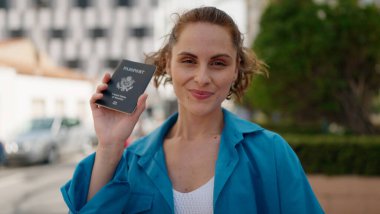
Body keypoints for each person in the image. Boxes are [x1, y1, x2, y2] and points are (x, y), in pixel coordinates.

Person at [61, 7, 324, 214]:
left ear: (235, 70)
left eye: (218, 63)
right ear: (168, 63)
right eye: (188, 61)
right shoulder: (130, 160)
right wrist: (108, 146)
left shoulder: (271, 153)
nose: (201, 77)